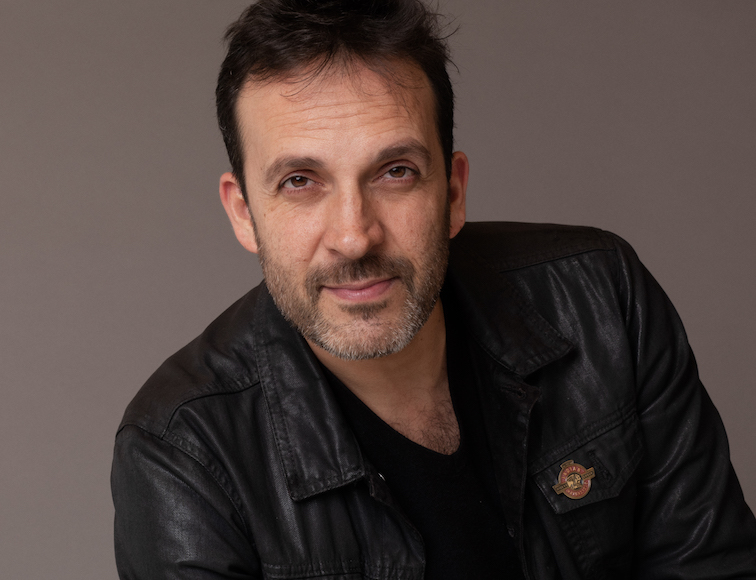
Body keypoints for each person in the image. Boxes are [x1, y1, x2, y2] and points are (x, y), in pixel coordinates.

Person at [111, 1, 756, 578]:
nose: (355, 237)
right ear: (244, 213)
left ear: (453, 192)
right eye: (300, 181)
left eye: (395, 172)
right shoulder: (184, 453)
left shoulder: (600, 301)